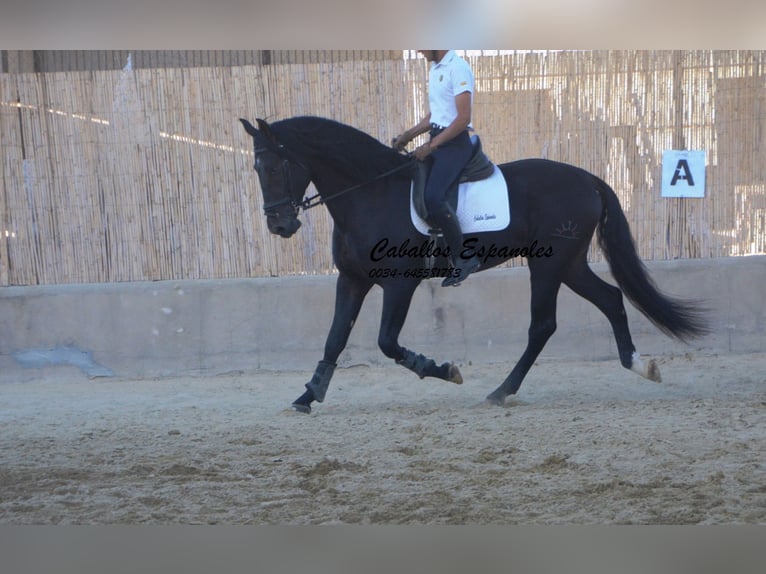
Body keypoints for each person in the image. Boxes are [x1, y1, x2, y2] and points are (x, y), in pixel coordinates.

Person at [392, 50, 481, 287]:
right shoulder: (436, 68)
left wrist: (431, 146)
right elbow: (436, 114)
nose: (419, 50)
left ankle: (464, 258)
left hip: (455, 145)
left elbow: (462, 118)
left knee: (433, 197)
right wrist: (408, 135)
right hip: (438, 140)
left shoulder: (458, 67)